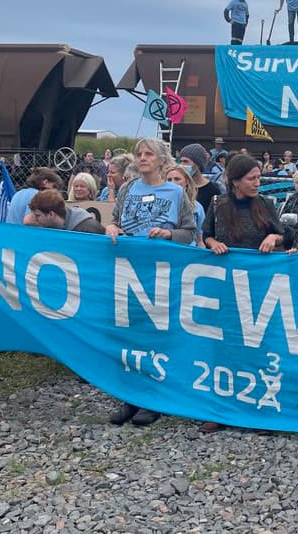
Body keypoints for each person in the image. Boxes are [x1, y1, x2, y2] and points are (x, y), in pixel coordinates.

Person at [104, 137, 196, 427]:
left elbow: (189, 233)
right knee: (132, 334)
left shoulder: (176, 193)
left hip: (161, 272)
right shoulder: (128, 188)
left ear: (160, 160)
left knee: (157, 334)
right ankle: (130, 396)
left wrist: (169, 235)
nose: (142, 158)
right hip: (130, 269)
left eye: (148, 154)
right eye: (138, 154)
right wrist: (111, 227)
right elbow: (116, 220)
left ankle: (154, 397)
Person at [25, 189, 106, 234]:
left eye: (38, 215)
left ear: (51, 214)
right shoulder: (53, 226)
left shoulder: (88, 229)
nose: (35, 219)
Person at [164, 165, 204, 246]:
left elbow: (200, 240)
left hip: (189, 251)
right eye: (169, 180)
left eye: (177, 179)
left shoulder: (197, 207)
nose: (173, 182)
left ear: (187, 182)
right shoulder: (160, 205)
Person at [178, 143, 223, 212]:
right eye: (181, 161)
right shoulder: (180, 187)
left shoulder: (213, 191)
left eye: (186, 161)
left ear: (198, 164)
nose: (182, 165)